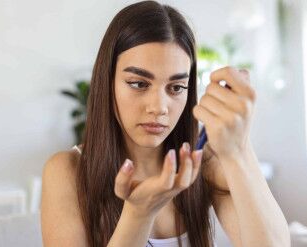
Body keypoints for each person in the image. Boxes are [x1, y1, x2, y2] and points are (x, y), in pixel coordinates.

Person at [40, 1, 290, 247]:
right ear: (108, 81)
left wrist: (239, 150)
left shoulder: (203, 164)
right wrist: (138, 214)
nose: (159, 107)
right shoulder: (68, 170)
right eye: (139, 83)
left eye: (176, 87)